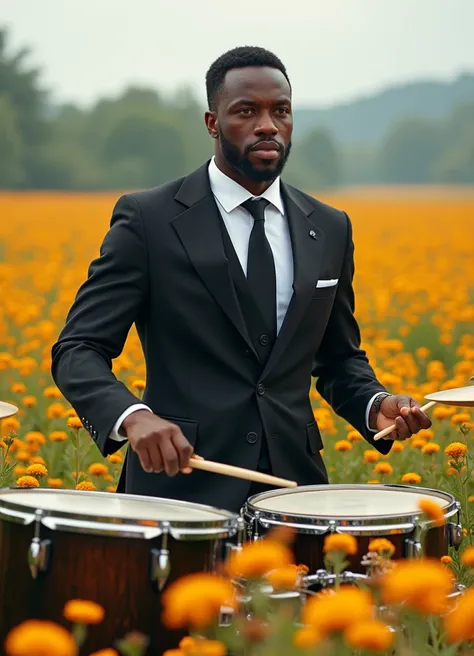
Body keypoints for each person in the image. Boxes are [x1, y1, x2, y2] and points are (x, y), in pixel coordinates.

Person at [51, 46, 431, 513]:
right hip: (179, 493)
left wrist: (376, 405)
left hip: (297, 495)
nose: (268, 124)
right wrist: (132, 417)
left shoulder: (331, 227)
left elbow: (338, 360)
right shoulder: (148, 219)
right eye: (246, 111)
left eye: (281, 111)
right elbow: (78, 349)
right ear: (213, 123)